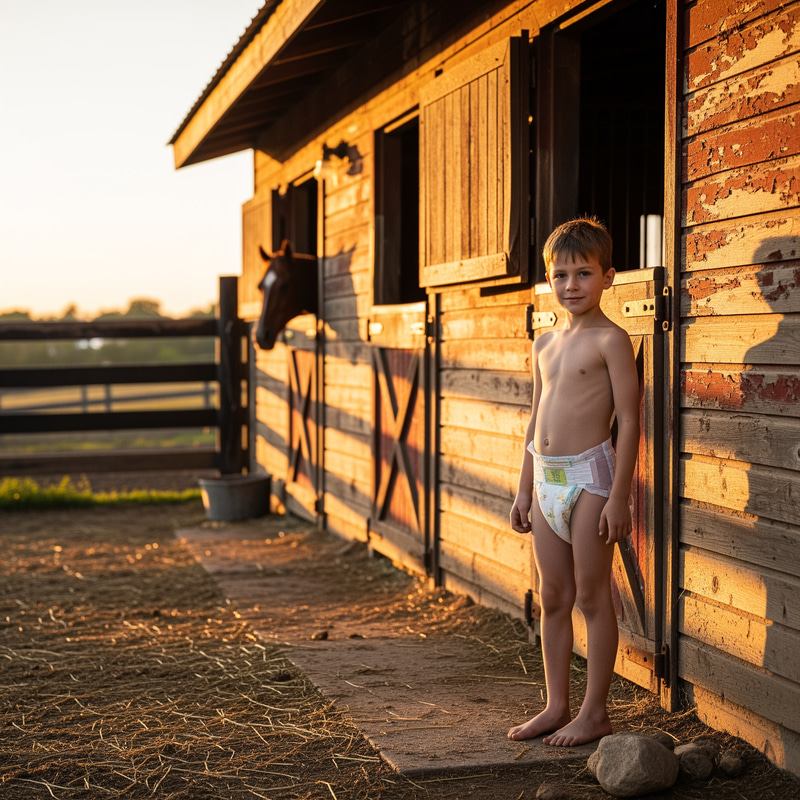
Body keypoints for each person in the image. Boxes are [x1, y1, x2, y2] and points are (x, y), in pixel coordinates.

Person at [508, 217, 640, 747]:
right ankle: (556, 705)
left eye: (583, 273)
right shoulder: (544, 344)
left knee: (591, 595)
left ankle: (595, 712)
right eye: (561, 275)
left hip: (590, 479)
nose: (571, 286)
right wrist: (523, 488)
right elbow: (535, 418)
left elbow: (629, 421)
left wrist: (620, 495)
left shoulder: (612, 340)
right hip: (546, 480)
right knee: (554, 595)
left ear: (608, 276)